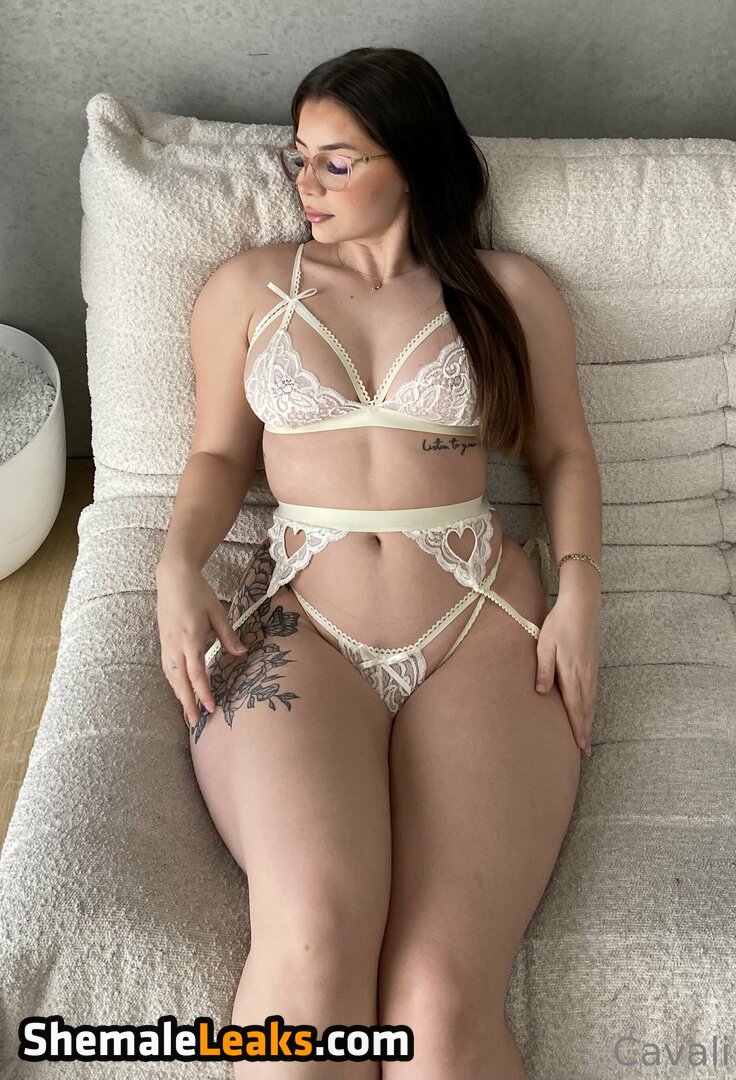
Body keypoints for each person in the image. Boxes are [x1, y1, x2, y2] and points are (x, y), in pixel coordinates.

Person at [155, 46, 602, 1080]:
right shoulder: (249, 289)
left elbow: (564, 452)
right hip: (300, 629)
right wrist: (177, 564)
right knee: (312, 938)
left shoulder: (507, 291)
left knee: (437, 1000)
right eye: (298, 158)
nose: (304, 184)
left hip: (483, 627)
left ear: (413, 161)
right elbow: (217, 456)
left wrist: (580, 588)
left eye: (337, 162)